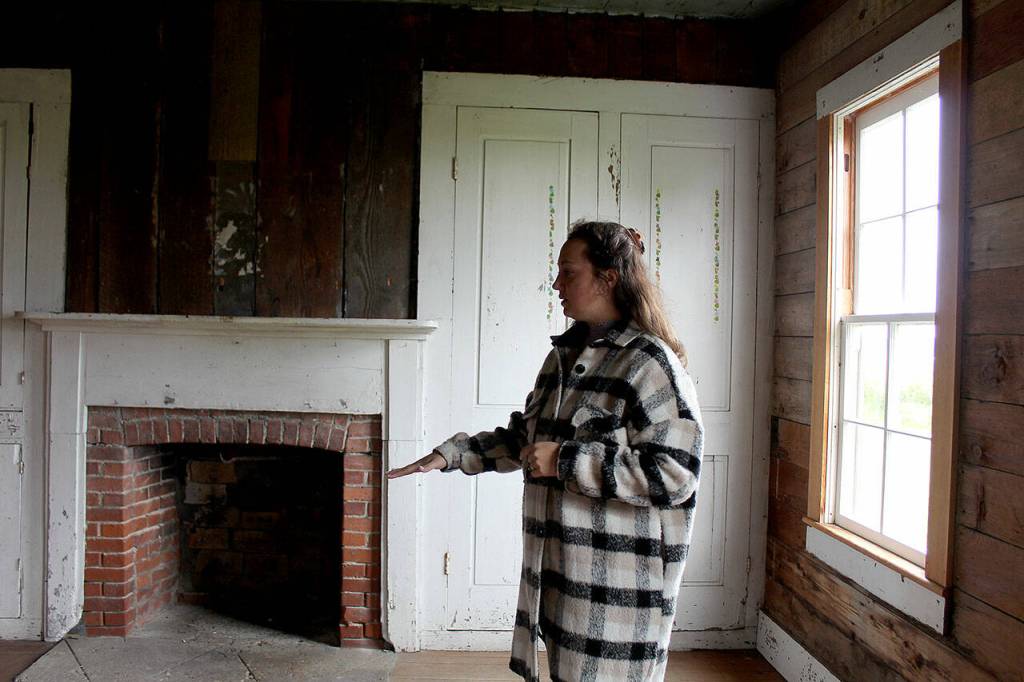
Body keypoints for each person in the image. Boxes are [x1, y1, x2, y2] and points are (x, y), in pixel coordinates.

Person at [387, 220, 704, 682]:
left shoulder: (649, 362)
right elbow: (527, 439)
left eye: (568, 273)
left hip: (616, 594)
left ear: (608, 279)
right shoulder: (562, 357)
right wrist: (453, 455)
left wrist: (565, 461)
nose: (556, 284)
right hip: (561, 580)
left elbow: (676, 474)